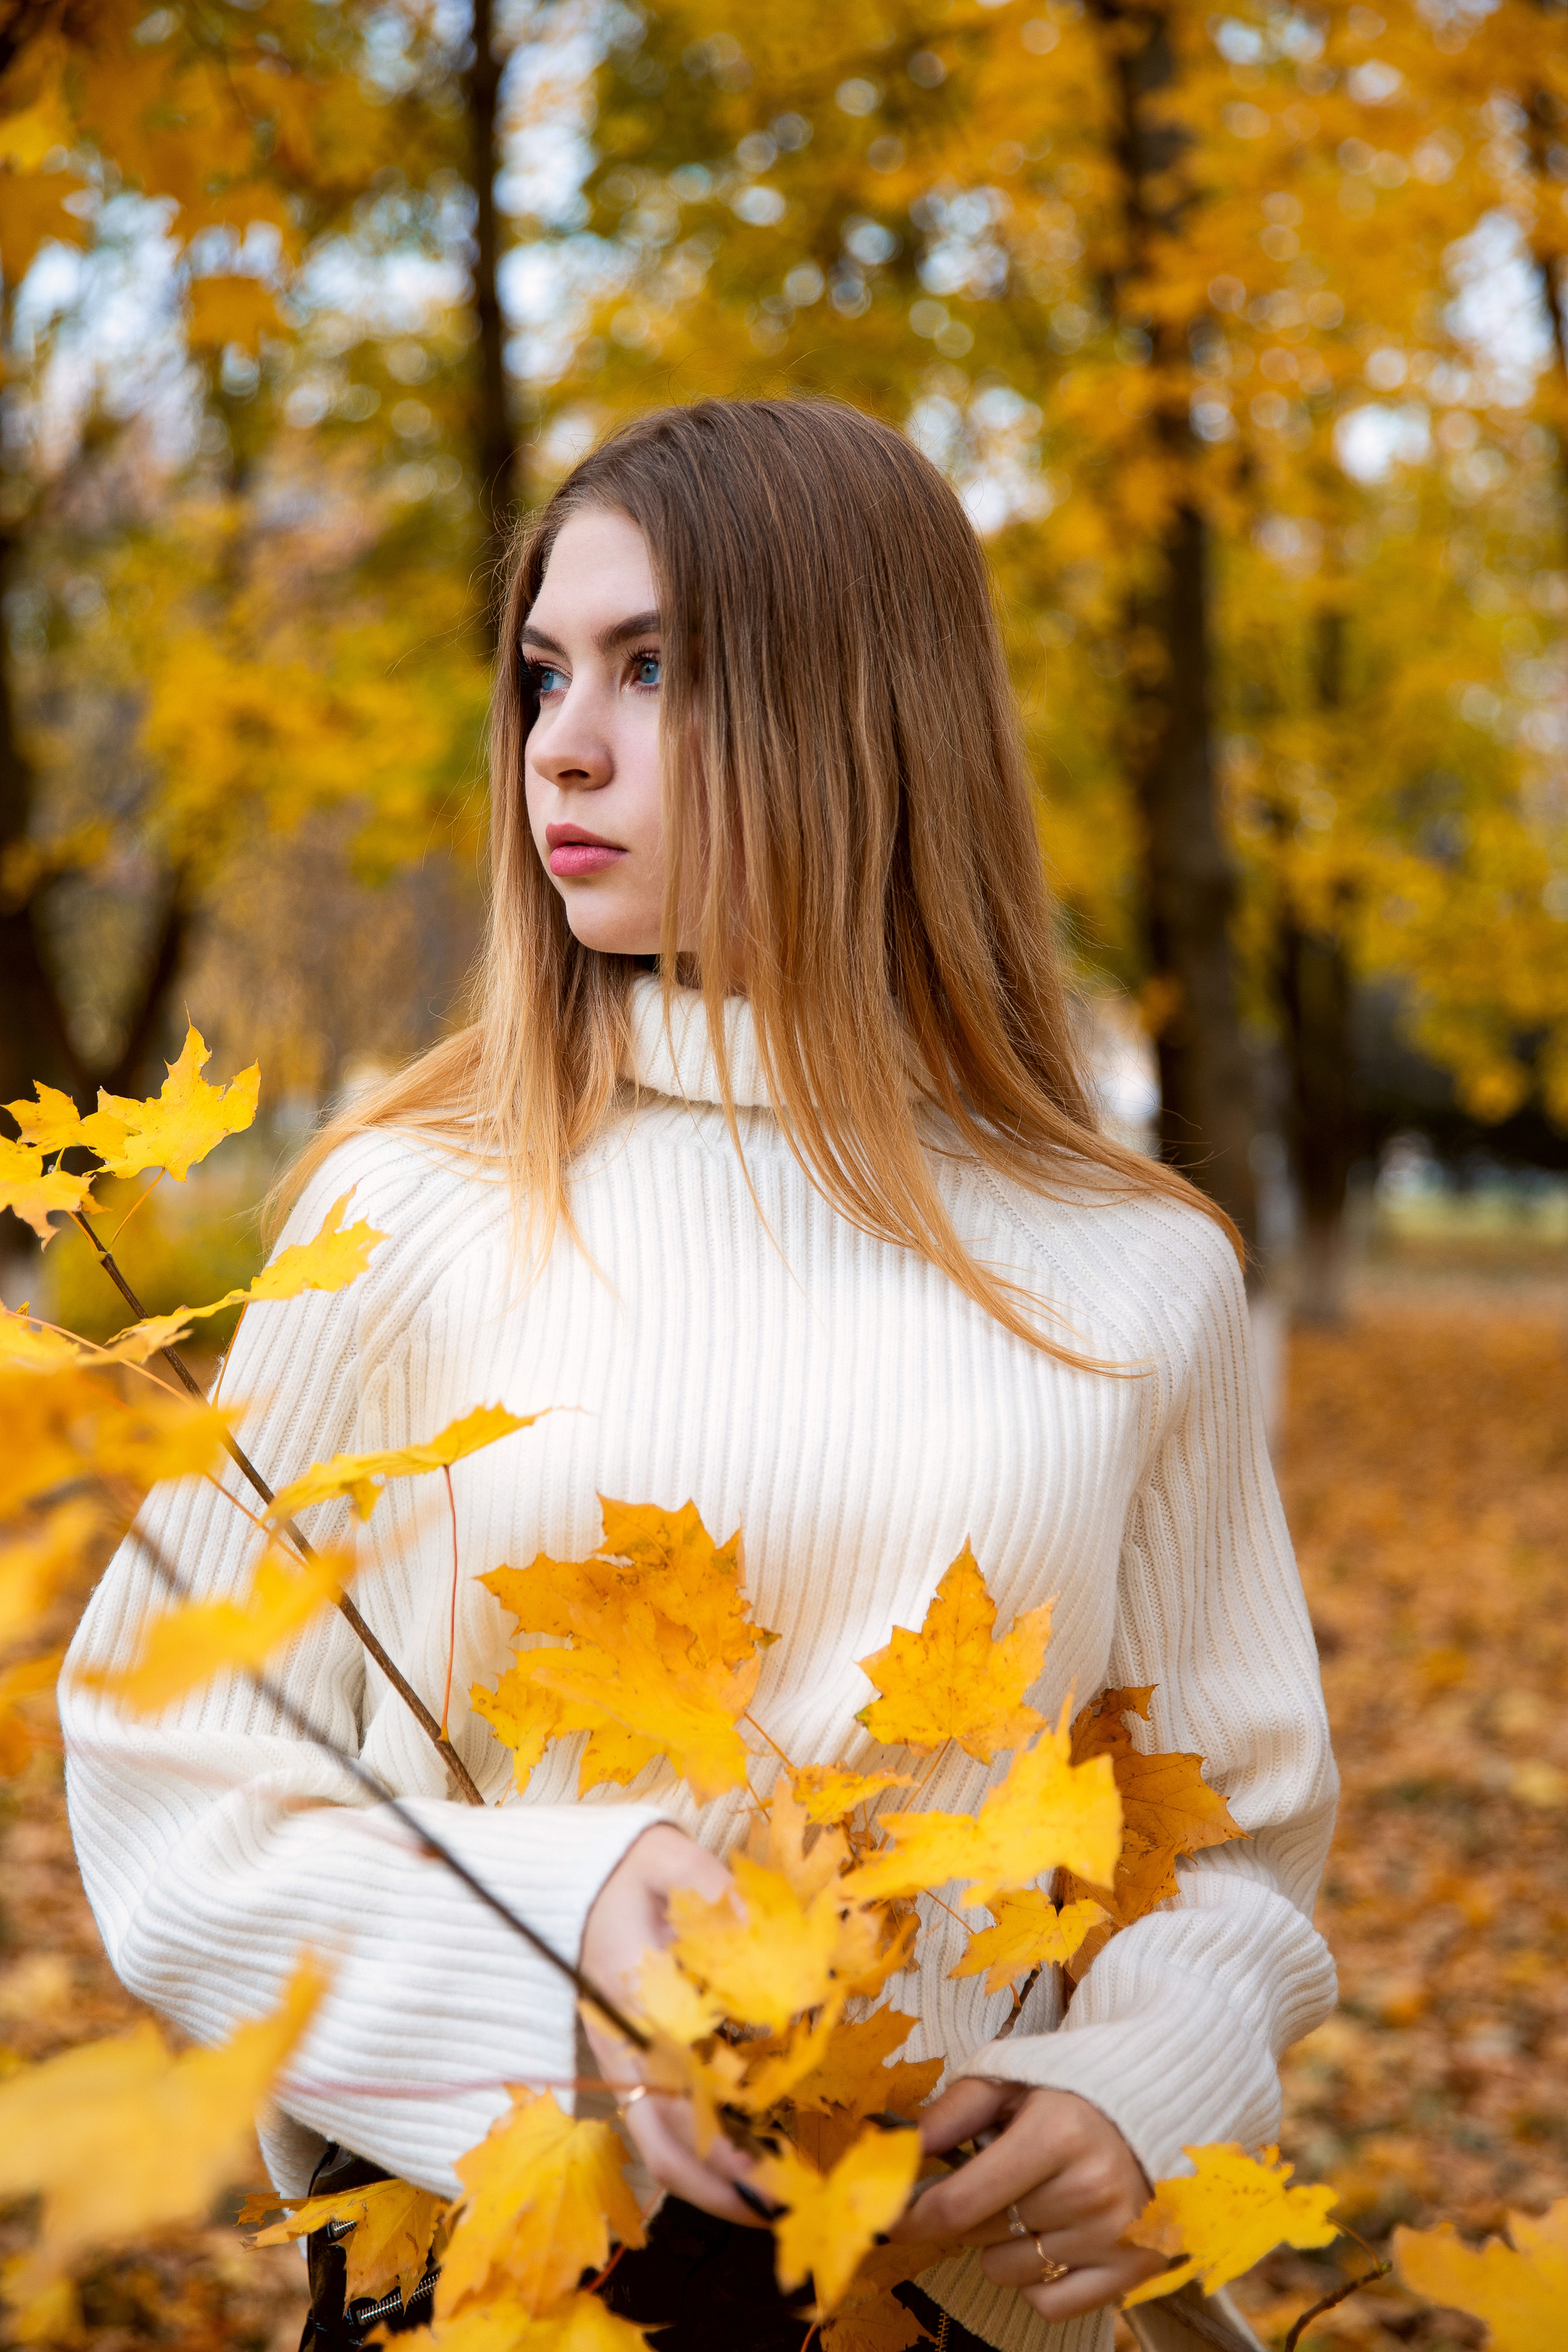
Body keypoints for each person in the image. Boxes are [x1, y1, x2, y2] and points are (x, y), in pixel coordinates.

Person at [63, 398, 1338, 2352]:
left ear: (863, 713)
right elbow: (168, 1769)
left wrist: (1138, 2084)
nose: (560, 742)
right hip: (486, 2269)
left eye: (654, 670)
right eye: (547, 672)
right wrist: (546, 1921)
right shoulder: (407, 1212)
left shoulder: (1134, 1274)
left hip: (940, 2290)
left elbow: (1229, 1836)